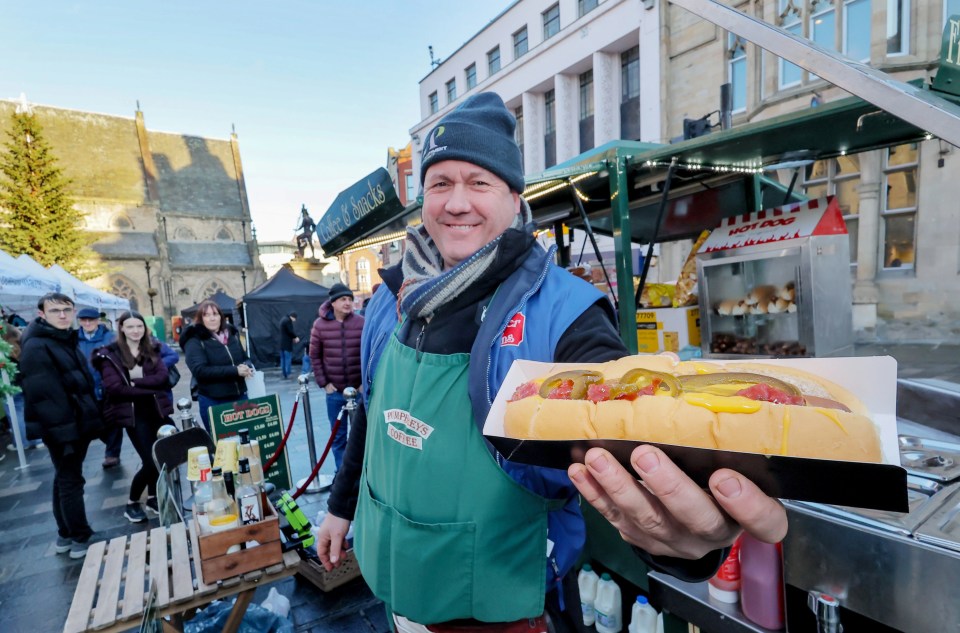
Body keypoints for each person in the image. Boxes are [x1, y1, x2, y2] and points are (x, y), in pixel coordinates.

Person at [314, 93, 787, 631]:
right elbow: (370, 419)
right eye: (440, 183)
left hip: (500, 600)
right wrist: (340, 507)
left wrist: (680, 534)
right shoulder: (387, 298)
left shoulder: (564, 312)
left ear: (514, 200)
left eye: (479, 182)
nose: (456, 202)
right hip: (395, 581)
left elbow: (624, 428)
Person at [19, 293, 104, 559]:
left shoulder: (61, 338)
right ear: (42, 314)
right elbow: (46, 397)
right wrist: (67, 435)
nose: (63, 315)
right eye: (56, 311)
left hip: (72, 424)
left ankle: (65, 535)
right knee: (70, 481)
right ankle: (81, 537)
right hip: (63, 429)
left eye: (67, 310)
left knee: (64, 479)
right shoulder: (37, 346)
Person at [92, 311, 173, 522]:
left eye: (139, 326)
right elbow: (116, 389)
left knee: (161, 456)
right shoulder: (109, 354)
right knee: (150, 460)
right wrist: (150, 388)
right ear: (121, 328)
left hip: (157, 410)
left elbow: (163, 378)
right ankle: (132, 502)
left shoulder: (152, 348)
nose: (135, 330)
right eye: (130, 327)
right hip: (134, 416)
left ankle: (153, 497)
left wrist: (135, 383)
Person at [308, 282, 363, 471]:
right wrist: (324, 383)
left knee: (360, 436)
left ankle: (361, 475)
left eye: (350, 299)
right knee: (338, 437)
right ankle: (342, 474)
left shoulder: (360, 322)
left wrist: (364, 382)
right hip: (335, 393)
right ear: (333, 302)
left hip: (358, 391)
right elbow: (314, 356)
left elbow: (368, 352)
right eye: (343, 299)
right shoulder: (320, 325)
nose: (348, 303)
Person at [181, 299, 253, 432]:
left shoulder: (232, 335)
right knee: (223, 446)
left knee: (246, 441)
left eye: (215, 314)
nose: (212, 318)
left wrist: (247, 366)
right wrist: (235, 371)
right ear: (201, 319)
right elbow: (200, 371)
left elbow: (244, 358)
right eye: (206, 315)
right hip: (214, 401)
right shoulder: (195, 340)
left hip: (240, 397)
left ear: (221, 316)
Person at [76, 307, 119, 468]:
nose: (87, 323)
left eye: (91, 320)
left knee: (112, 421)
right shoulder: (75, 339)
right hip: (86, 389)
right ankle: (111, 446)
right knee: (97, 424)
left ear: (97, 321)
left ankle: (112, 453)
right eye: (84, 320)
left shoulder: (110, 337)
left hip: (107, 386)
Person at [3, 322, 42, 452]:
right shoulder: (23, 343)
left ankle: (22, 443)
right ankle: (38, 439)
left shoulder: (4, 350)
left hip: (11, 385)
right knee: (30, 411)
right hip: (27, 382)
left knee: (15, 415)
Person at [278, 311, 299, 379]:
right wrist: (295, 337)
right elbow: (290, 331)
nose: (294, 321)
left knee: (283, 359)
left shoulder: (283, 319)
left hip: (282, 343)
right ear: (293, 317)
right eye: (295, 319)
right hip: (287, 344)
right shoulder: (288, 321)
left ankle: (284, 373)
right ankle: (288, 373)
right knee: (288, 359)